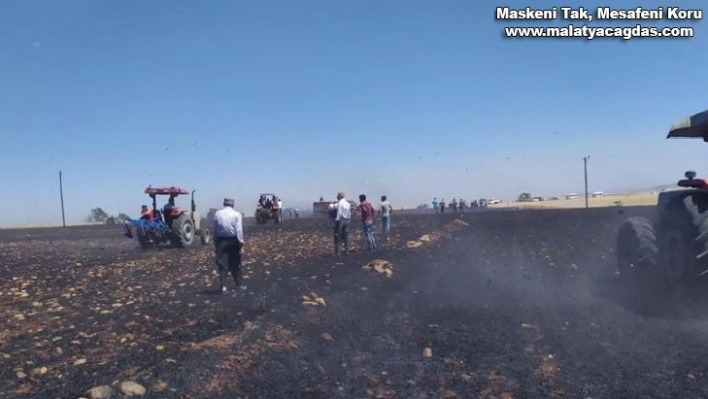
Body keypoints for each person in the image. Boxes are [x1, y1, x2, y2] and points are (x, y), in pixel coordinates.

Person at [212, 197, 244, 293]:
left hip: (221, 241)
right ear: (233, 204)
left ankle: (223, 287)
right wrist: (241, 243)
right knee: (235, 263)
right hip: (233, 240)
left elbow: (214, 230)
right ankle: (238, 285)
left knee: (222, 264)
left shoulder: (217, 214)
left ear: (224, 204)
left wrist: (215, 242)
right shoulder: (236, 214)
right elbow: (239, 231)